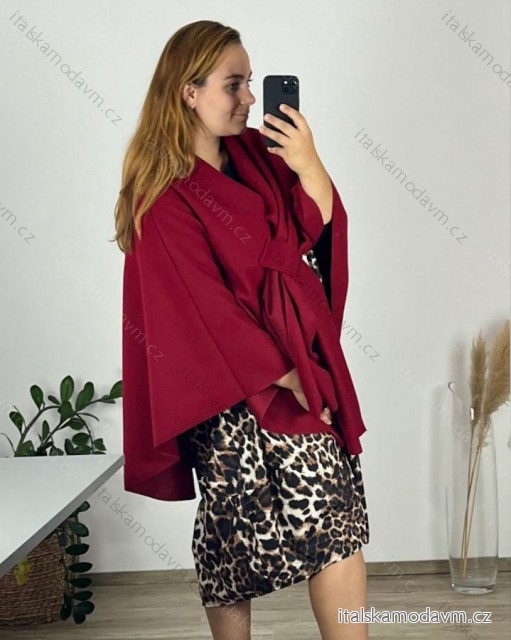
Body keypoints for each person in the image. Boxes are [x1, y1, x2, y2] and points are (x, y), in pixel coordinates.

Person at [114, 19, 370, 640]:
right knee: (234, 536)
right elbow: (201, 309)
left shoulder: (256, 154)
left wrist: (309, 163)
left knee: (335, 517)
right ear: (189, 92)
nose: (250, 98)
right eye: (234, 84)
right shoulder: (163, 195)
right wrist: (293, 378)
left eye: (250, 82)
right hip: (229, 390)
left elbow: (310, 229)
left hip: (294, 363)